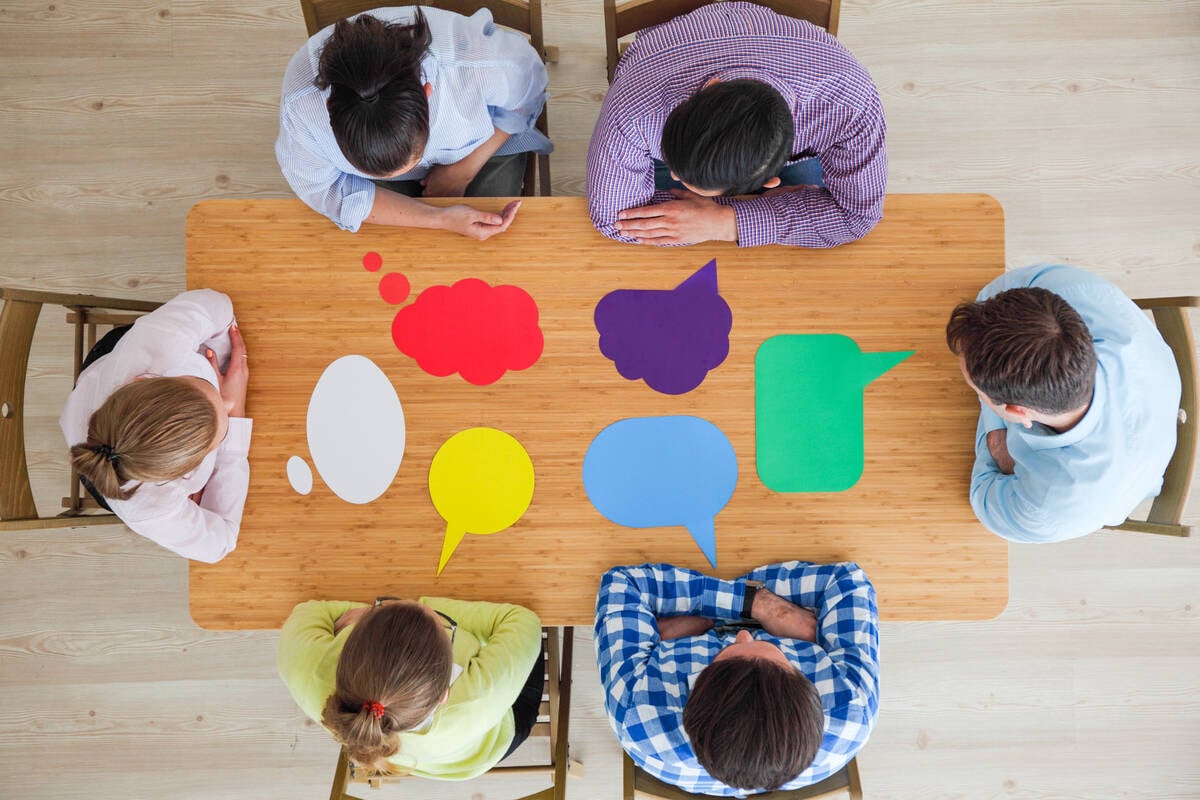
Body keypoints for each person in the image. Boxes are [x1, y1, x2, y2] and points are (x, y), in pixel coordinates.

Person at [586, 1, 887, 248]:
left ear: (771, 179)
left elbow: (856, 217)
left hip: (801, 131)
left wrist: (725, 221)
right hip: (672, 51)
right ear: (710, 87)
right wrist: (782, 212)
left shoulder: (848, 102)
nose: (674, 174)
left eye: (676, 172)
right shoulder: (635, 106)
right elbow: (614, 219)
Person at [595, 562, 879, 796]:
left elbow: (623, 584)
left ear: (694, 695)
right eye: (775, 650)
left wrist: (746, 602)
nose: (743, 635)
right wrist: (767, 606)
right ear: (806, 683)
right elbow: (846, 580)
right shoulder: (852, 706)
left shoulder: (636, 712)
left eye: (727, 651)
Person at [946, 264, 1181, 543]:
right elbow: (990, 296)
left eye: (974, 386)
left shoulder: (1047, 507)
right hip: (1156, 404)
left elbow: (983, 496)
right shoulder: (1072, 293)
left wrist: (997, 438)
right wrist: (998, 429)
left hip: (1122, 483)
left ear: (1016, 411)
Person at [276, 6, 551, 239]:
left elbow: (528, 89)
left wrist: (462, 171)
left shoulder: (475, 64)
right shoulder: (301, 107)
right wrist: (438, 218)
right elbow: (328, 191)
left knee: (495, 244)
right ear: (329, 108)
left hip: (482, 145)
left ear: (426, 93)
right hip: (363, 184)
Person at [59, 289, 251, 563]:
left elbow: (217, 305)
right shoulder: (148, 508)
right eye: (217, 440)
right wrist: (236, 411)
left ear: (143, 379)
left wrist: (224, 360)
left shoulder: (153, 346)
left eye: (209, 389)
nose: (224, 400)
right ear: (182, 474)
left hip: (103, 368)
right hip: (109, 477)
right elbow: (221, 542)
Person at [278, 595, 544, 779]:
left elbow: (307, 610)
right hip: (486, 744)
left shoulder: (307, 670)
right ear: (444, 695)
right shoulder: (473, 700)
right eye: (445, 627)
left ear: (351, 643)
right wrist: (425, 604)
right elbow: (524, 620)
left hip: (397, 755)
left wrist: (401, 614)